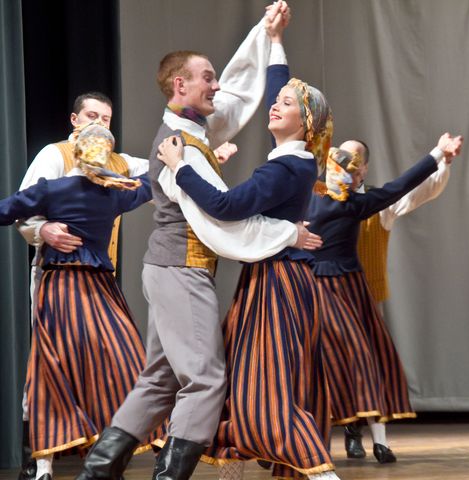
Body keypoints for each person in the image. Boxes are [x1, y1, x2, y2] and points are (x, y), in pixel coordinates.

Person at [75, 4, 315, 480]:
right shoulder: (179, 145)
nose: (216, 85)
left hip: (168, 269)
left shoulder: (192, 128)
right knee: (205, 379)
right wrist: (288, 231)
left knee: (159, 380)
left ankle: (95, 473)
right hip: (180, 269)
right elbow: (221, 217)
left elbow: (240, 91)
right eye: (207, 78)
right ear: (180, 86)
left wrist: (268, 38)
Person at [155, 60, 340, 480]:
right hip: (274, 280)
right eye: (276, 100)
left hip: (278, 284)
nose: (274, 105)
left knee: (265, 386)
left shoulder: (286, 168)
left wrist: (180, 167)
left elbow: (225, 206)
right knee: (243, 382)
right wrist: (274, 44)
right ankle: (233, 475)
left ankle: (321, 473)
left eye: (285, 104)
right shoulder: (298, 161)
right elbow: (280, 93)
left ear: (305, 123)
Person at [1, 123, 158, 480]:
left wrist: (37, 225)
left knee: (51, 366)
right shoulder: (114, 194)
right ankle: (108, 455)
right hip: (100, 290)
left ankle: (44, 466)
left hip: (59, 288)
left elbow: (6, 210)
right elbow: (150, 183)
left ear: (75, 152)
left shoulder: (51, 190)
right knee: (116, 363)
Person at [306, 134, 462, 464]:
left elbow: (415, 190)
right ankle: (322, 437)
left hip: (363, 298)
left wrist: (442, 161)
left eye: (354, 161)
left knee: (368, 363)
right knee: (325, 364)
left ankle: (374, 439)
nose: (347, 165)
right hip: (323, 295)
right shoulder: (318, 198)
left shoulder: (372, 203)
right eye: (341, 158)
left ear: (363, 169)